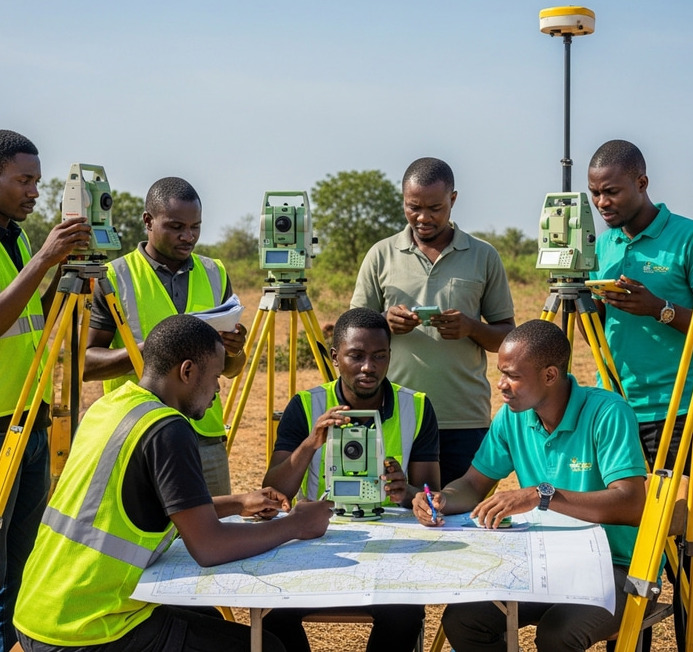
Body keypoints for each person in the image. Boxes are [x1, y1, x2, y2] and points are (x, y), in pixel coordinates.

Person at [13, 313, 332, 652]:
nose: (218, 388)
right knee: (269, 648)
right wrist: (296, 525)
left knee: (206, 614)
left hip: (40, 612)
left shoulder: (111, 406)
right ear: (187, 371)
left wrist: (239, 502)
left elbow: (156, 508)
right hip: (91, 630)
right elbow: (209, 547)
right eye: (214, 376)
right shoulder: (168, 429)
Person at [412, 320, 647, 652]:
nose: (501, 385)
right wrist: (442, 500)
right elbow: (472, 484)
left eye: (513, 376)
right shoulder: (513, 416)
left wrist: (542, 495)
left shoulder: (608, 413)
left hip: (618, 569)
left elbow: (631, 504)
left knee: (557, 635)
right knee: (464, 620)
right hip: (545, 564)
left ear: (550, 376)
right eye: (501, 373)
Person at [261, 307, 440, 652]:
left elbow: (429, 493)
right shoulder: (306, 406)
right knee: (273, 614)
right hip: (319, 544)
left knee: (405, 614)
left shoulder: (416, 406)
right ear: (334, 357)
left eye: (379, 356)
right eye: (356, 356)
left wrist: (408, 493)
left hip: (390, 551)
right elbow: (275, 491)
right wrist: (312, 441)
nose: (368, 367)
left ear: (390, 356)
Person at [0, 129, 92, 652]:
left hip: (30, 421)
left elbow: (32, 318)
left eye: (37, 183)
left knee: (20, 568)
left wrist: (62, 274)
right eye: (23, 181)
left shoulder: (17, 237)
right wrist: (43, 261)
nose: (33, 193)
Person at [351, 157, 515, 485]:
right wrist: (384, 322)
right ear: (403, 200)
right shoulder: (380, 255)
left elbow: (506, 338)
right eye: (413, 207)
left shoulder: (483, 256)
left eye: (435, 208)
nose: (423, 218)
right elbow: (352, 334)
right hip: (394, 415)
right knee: (391, 514)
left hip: (463, 419)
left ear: (453, 199)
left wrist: (471, 328)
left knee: (463, 519)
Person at [84, 176, 247, 496]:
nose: (188, 237)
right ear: (148, 220)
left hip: (206, 438)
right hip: (139, 434)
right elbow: (86, 363)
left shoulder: (215, 272)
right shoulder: (114, 276)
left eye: (195, 227)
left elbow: (231, 369)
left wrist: (235, 350)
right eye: (176, 227)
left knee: (215, 537)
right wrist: (151, 352)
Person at [586, 140, 693, 469]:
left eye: (611, 192)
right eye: (594, 193)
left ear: (641, 183)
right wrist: (582, 293)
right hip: (612, 402)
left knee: (678, 515)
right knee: (622, 513)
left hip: (676, 407)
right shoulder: (601, 246)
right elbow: (593, 332)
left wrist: (658, 308)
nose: (601, 203)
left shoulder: (690, 239)